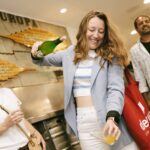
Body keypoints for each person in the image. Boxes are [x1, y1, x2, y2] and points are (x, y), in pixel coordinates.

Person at [31, 11, 138, 150]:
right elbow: (41, 60)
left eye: (101, 31)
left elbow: (115, 89)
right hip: (84, 124)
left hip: (109, 120)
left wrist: (112, 118)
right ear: (83, 30)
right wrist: (36, 52)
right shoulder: (70, 53)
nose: (96, 35)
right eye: (91, 30)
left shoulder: (112, 55)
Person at [130, 15, 150, 107]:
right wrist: (147, 102)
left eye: (147, 21)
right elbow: (139, 77)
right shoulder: (134, 50)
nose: (145, 24)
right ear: (137, 29)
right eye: (141, 23)